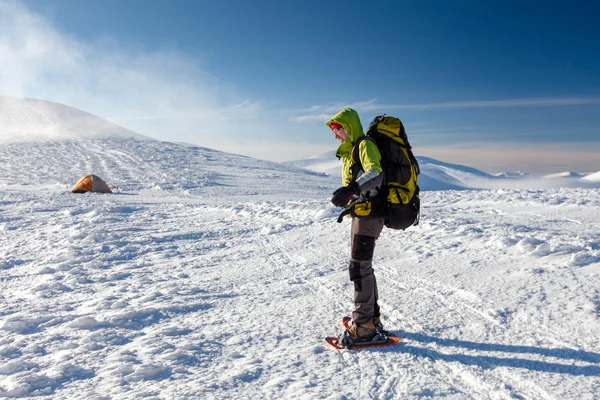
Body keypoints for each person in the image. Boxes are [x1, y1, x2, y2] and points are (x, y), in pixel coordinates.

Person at [326, 108, 386, 345]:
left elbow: (376, 172)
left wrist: (352, 189)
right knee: (363, 266)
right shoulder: (352, 151)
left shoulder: (364, 145)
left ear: (348, 127)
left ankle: (363, 327)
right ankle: (371, 319)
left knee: (359, 268)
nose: (335, 135)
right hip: (363, 213)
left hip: (370, 214)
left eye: (337, 129)